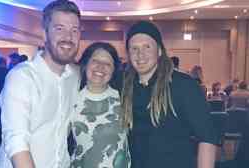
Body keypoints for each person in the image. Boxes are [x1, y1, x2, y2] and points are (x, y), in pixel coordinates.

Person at [0, 0, 81, 168]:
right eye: (59, 29)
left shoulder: (74, 77)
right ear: (44, 34)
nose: (68, 37)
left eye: (74, 30)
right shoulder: (22, 77)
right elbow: (17, 142)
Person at [120, 21, 219, 168]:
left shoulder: (183, 85)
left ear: (159, 50)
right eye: (134, 48)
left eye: (147, 47)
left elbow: (207, 137)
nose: (140, 55)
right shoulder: (123, 86)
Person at [71, 42, 131, 168]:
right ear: (86, 64)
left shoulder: (123, 97)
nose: (100, 67)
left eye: (107, 64)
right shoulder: (71, 98)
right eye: (95, 61)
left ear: (114, 70)